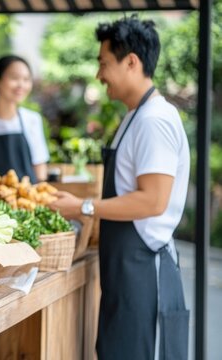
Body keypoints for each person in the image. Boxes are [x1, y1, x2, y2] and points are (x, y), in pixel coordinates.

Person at [50, 16, 189, 360]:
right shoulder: (134, 115)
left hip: (143, 275)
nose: (99, 75)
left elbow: (153, 201)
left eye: (104, 64)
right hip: (126, 275)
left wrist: (83, 207)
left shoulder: (154, 120)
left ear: (131, 62)